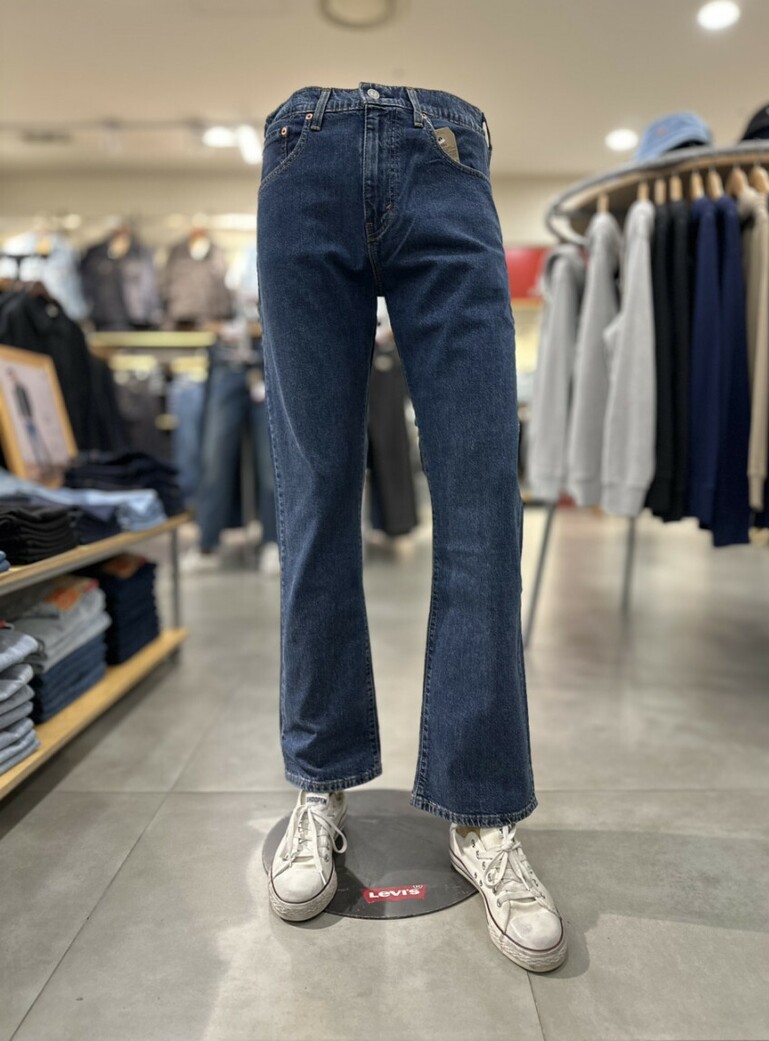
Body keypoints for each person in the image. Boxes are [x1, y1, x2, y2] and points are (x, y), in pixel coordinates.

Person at [259, 83, 567, 973]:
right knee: (315, 498)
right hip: (302, 157)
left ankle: (482, 807)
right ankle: (320, 781)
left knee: (481, 503)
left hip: (446, 156)